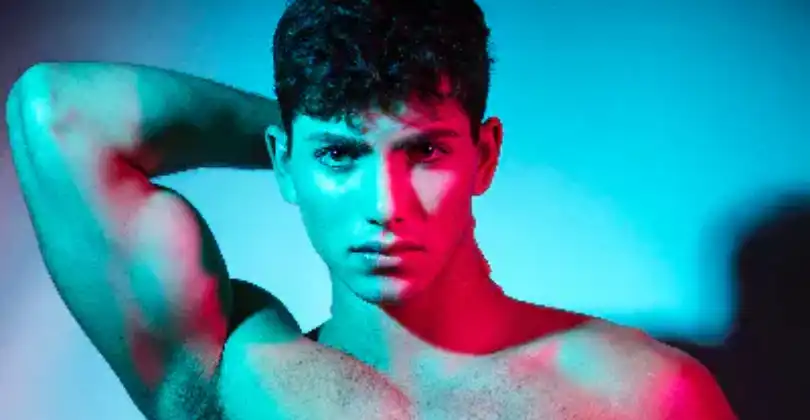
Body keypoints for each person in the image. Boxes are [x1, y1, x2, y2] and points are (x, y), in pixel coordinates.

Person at [5, 0, 735, 418]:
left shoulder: (638, 395)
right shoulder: (236, 379)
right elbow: (58, 110)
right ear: (284, 160)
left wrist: (328, 138)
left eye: (425, 152)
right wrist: (313, 130)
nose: (385, 206)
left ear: (484, 155)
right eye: (340, 158)